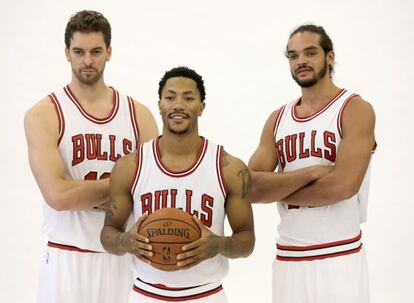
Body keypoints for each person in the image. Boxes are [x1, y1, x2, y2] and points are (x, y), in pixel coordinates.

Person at [24, 10, 159, 303]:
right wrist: (122, 187)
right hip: (66, 259)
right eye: (79, 51)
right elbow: (58, 196)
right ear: (66, 53)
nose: (88, 60)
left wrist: (86, 192)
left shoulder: (139, 115)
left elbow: (153, 189)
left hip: (123, 256)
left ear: (109, 52)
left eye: (96, 51)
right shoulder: (44, 114)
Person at [101, 66, 255, 303]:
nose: (178, 105)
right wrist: (125, 241)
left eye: (189, 98)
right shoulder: (130, 166)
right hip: (146, 294)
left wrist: (219, 245)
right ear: (160, 104)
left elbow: (246, 240)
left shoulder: (229, 168)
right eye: (170, 97)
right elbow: (108, 234)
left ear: (201, 106)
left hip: (206, 294)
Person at [248, 24, 376, 303]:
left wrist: (277, 189)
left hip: (340, 256)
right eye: (293, 56)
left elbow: (343, 186)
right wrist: (314, 172)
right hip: (289, 258)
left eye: (310, 52)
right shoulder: (277, 119)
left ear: (330, 57)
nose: (301, 61)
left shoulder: (354, 108)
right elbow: (250, 188)